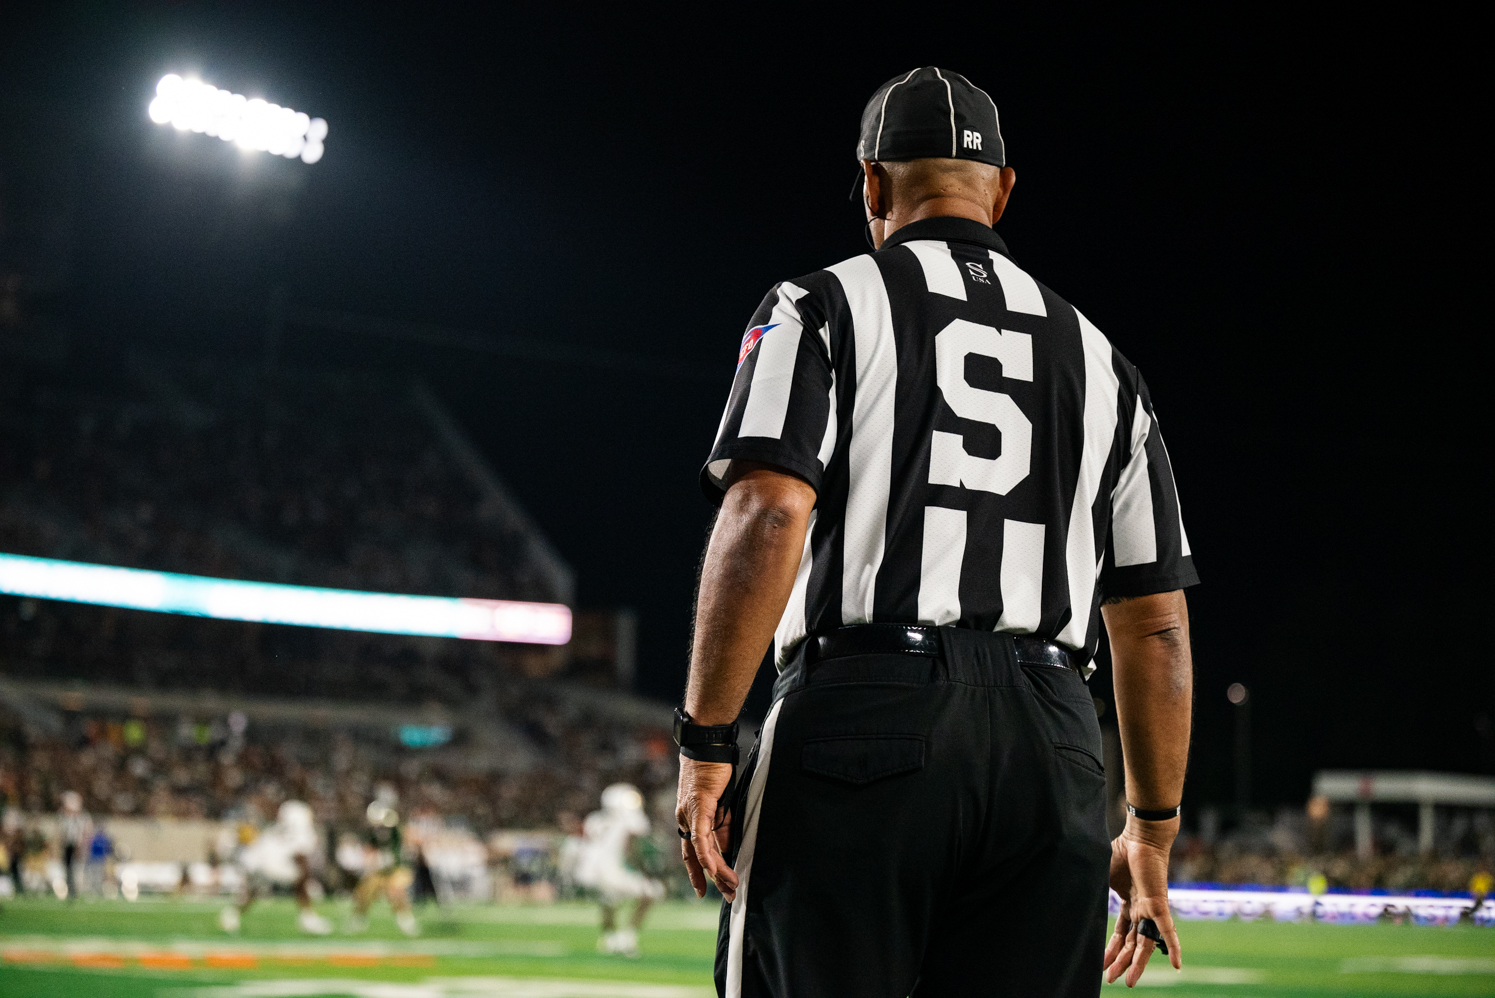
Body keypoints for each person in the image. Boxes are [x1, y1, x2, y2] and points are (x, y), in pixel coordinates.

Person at [675, 67, 1198, 997]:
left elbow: (768, 510)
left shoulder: (818, 304)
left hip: (864, 709)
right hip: (1055, 736)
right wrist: (1150, 831)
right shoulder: (1106, 364)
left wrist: (706, 742)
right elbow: (1153, 624)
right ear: (1001, 190)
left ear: (871, 183)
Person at [572, 783, 664, 957]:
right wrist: (643, 869)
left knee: (610, 902)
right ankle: (628, 938)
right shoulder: (629, 820)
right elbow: (632, 848)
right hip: (615, 870)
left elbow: (587, 845)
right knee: (652, 892)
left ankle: (609, 939)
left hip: (593, 871)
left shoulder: (594, 819)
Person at [218, 800, 332, 935]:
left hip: (259, 861)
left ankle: (232, 913)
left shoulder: (276, 829)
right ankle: (307, 917)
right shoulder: (301, 830)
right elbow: (301, 857)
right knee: (301, 878)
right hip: (276, 865)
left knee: (255, 890)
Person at [348, 791, 418, 937]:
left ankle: (405, 920)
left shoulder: (393, 829)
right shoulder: (373, 832)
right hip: (379, 869)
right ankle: (359, 919)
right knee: (364, 893)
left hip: (395, 867)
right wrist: (373, 861)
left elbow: (401, 843)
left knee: (397, 892)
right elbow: (369, 849)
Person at [57, 791, 92, 902]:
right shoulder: (64, 816)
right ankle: (71, 890)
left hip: (77, 845)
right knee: (69, 869)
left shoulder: (81, 817)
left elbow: (84, 831)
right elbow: (62, 832)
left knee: (77, 868)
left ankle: (77, 890)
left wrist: (81, 844)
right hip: (68, 844)